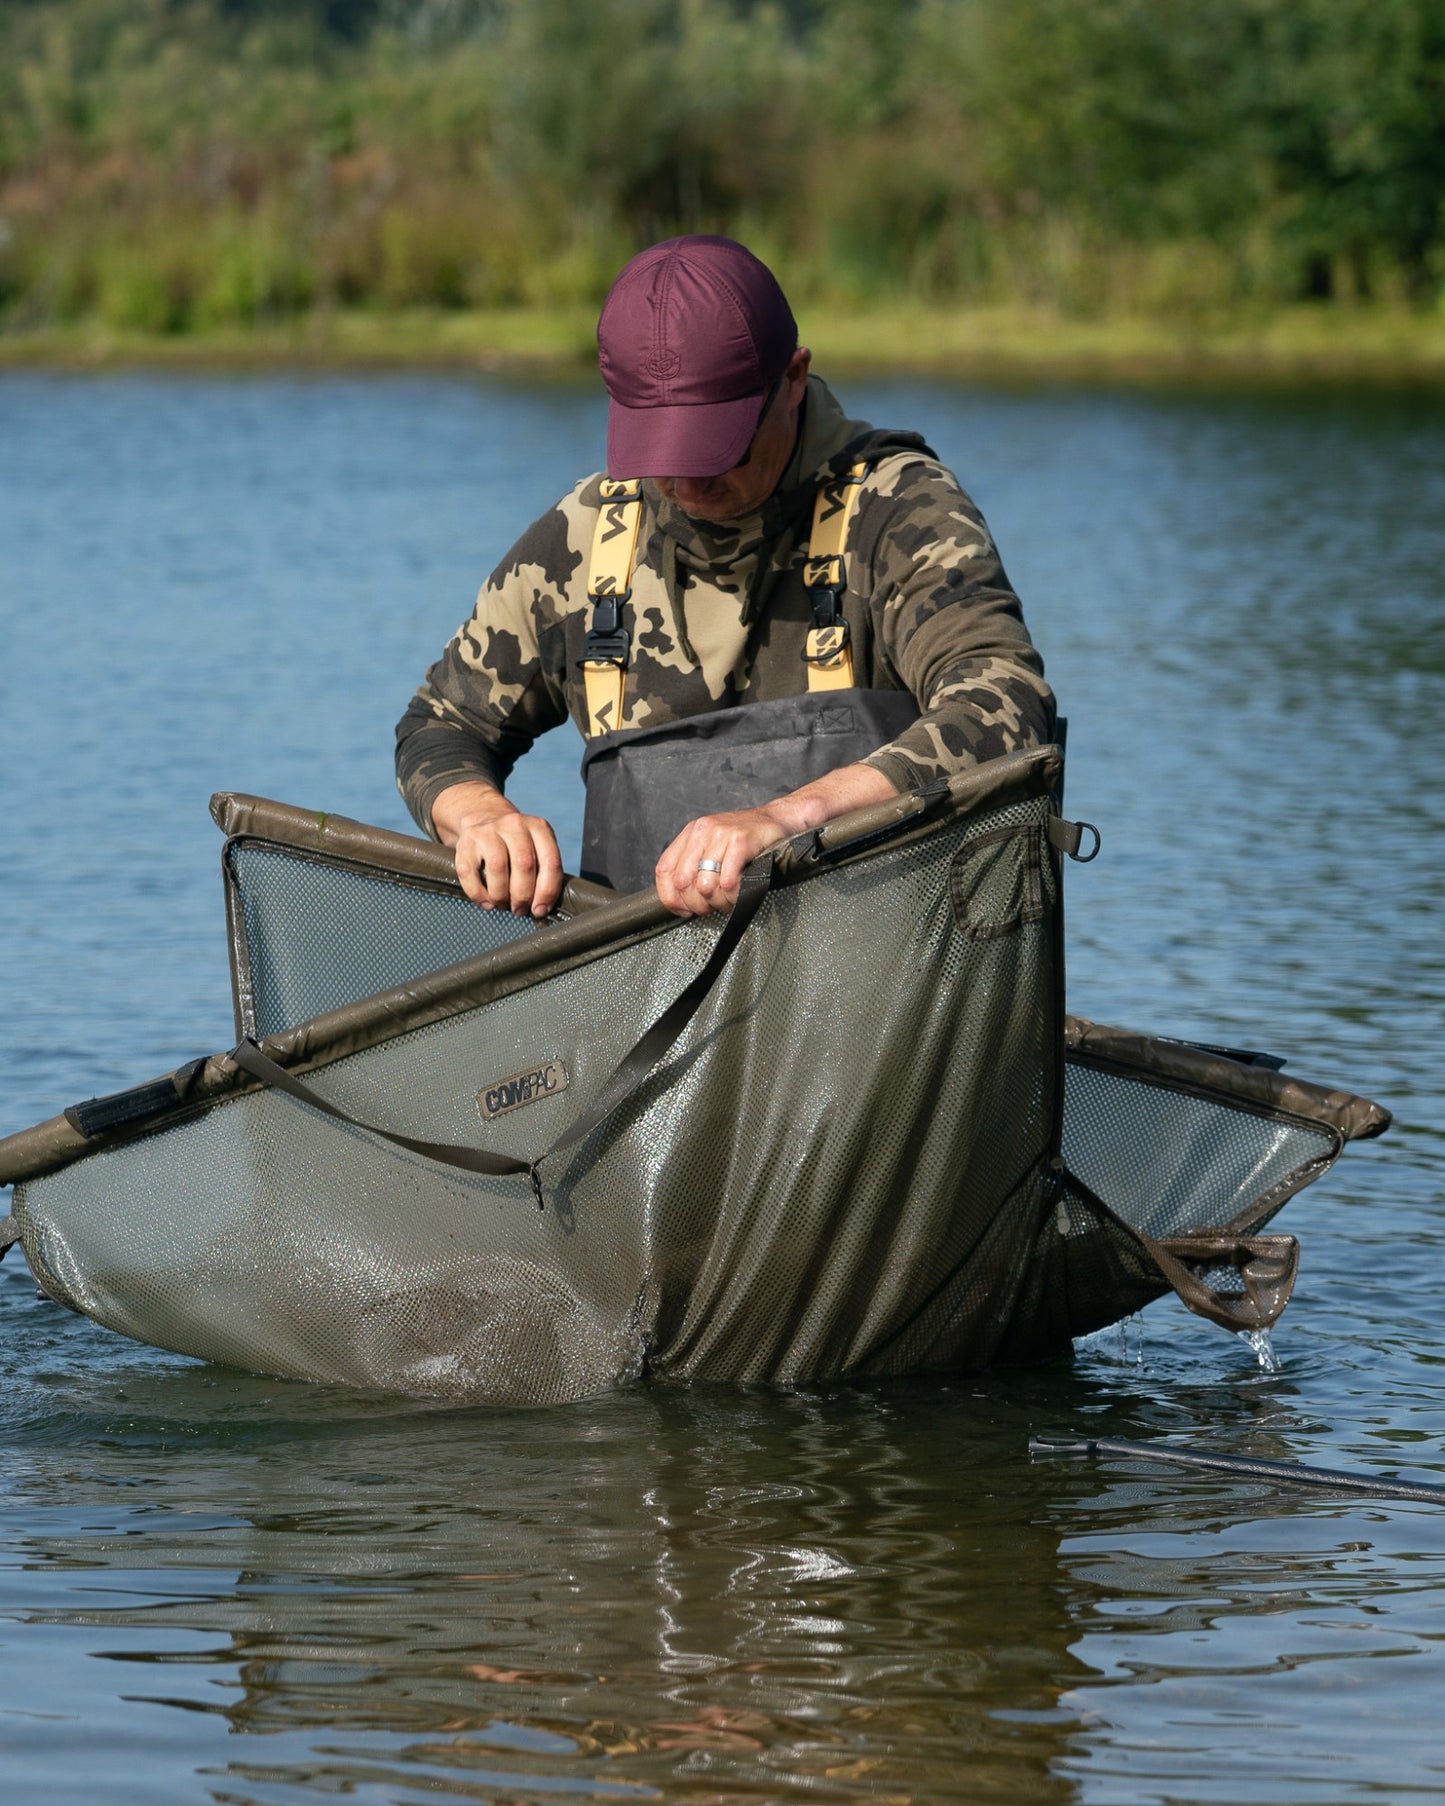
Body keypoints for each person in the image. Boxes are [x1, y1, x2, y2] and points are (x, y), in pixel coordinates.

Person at [396, 235, 1054, 919]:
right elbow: (440, 724)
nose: (684, 483)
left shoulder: (897, 511)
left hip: (883, 987)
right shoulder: (584, 537)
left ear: (792, 378)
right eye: (660, 451)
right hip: (644, 1005)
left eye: (716, 448)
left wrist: (792, 818)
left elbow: (1002, 706)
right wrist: (478, 816)